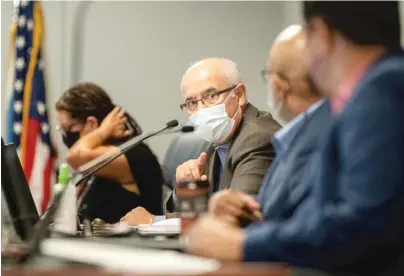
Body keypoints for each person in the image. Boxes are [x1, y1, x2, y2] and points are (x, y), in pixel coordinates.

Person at [186, 2, 404, 275]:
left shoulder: (380, 92)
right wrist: (250, 215)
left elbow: (363, 223)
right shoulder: (373, 90)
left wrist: (244, 244)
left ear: (321, 35)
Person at [120, 58, 280, 225]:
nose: (202, 110)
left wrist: (154, 221)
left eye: (212, 95)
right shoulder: (218, 142)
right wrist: (185, 189)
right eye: (191, 103)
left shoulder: (257, 137)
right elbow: (206, 210)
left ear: (239, 95)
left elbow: (237, 216)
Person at [208, 25, 331, 226]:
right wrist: (239, 207)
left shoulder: (315, 138)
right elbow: (277, 211)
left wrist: (242, 244)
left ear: (278, 85)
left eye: (211, 96)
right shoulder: (302, 134)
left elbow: (308, 227)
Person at [55, 82, 164, 223]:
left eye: (66, 128)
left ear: (92, 123)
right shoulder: (98, 157)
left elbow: (74, 156)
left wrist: (103, 131)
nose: (65, 135)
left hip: (132, 244)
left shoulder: (132, 153)